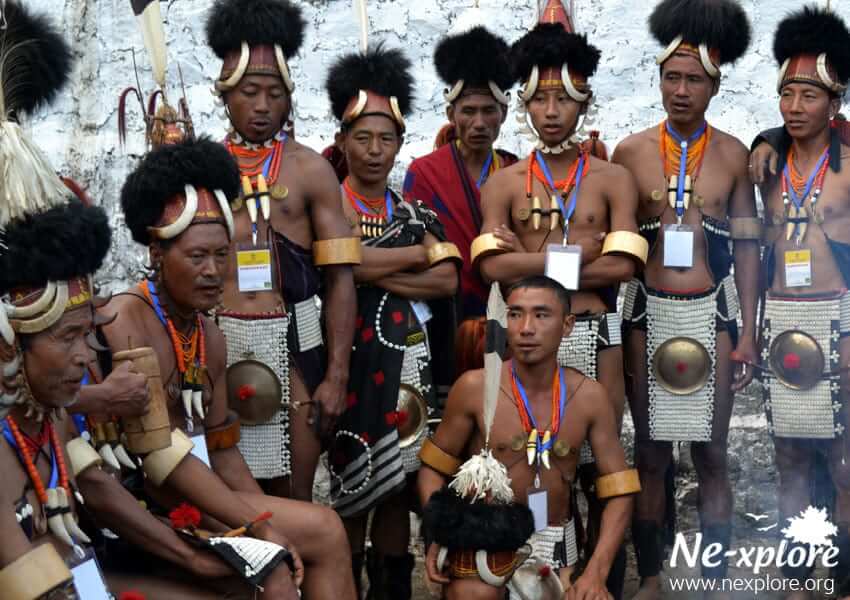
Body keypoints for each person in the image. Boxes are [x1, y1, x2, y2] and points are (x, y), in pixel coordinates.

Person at [98, 136, 357, 599]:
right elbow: (161, 465)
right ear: (157, 255)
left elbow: (220, 450)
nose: (213, 271)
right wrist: (254, 524)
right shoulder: (126, 320)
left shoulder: (209, 335)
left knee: (326, 526)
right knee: (275, 566)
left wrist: (252, 514)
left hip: (205, 495)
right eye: (196, 257)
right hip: (152, 505)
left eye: (222, 255)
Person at [473, 2, 645, 595]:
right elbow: (491, 267)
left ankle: (600, 583)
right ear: (524, 103)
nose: (551, 112)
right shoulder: (501, 182)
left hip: (597, 333)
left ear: (584, 102)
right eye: (541, 100)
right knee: (531, 462)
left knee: (599, 467)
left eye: (564, 100)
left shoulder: (612, 178)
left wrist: (529, 257)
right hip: (523, 336)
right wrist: (569, 260)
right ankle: (525, 579)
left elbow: (623, 266)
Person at [609, 0, 758, 596]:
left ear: (715, 84)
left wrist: (747, 334)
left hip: (710, 313)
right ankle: (650, 577)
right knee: (648, 453)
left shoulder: (735, 156)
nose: (681, 89)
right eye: (672, 76)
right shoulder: (630, 151)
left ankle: (715, 578)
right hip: (647, 313)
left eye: (694, 78)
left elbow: (748, 252)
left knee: (713, 453)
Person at [205, 0, 360, 500]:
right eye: (250, 92)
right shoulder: (201, 166)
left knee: (293, 496)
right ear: (225, 93)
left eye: (275, 93)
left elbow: (340, 279)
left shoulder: (311, 169)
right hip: (218, 343)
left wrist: (335, 376)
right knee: (228, 505)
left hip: (297, 341)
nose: (263, 106)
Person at [323, 43, 460, 598]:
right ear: (341, 142)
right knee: (353, 481)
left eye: (386, 139)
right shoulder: (328, 208)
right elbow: (327, 265)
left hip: (408, 361)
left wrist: (364, 268)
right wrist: (411, 258)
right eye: (363, 138)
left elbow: (449, 278)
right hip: (348, 362)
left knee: (400, 486)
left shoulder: (413, 212)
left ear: (400, 144)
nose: (375, 151)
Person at [418, 276, 638, 600]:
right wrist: (442, 531)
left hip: (559, 547)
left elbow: (620, 489)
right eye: (515, 314)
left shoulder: (589, 396)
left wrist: (596, 572)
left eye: (541, 315)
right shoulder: (474, 388)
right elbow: (433, 468)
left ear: (567, 325)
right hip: (485, 545)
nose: (526, 328)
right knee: (473, 594)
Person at [751, 7, 850, 598]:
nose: (793, 106)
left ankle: (839, 580)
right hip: (781, 316)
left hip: (838, 314)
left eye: (808, 94)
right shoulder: (768, 161)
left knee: (842, 460)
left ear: (833, 101)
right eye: (786, 92)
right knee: (789, 455)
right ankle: (794, 577)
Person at [402, 23, 517, 383]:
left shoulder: (516, 169)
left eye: (489, 110)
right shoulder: (425, 172)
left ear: (504, 114)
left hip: (506, 311)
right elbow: (415, 240)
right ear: (452, 114)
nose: (479, 122)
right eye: (468, 111)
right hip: (446, 314)